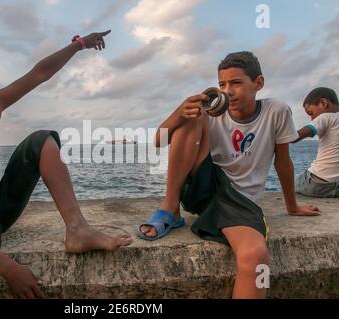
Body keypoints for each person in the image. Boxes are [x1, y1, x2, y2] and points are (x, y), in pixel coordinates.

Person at [0, 30, 132, 299]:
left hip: (1, 206)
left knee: (41, 140)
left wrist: (79, 45)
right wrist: (9, 268)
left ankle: (78, 229)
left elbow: (38, 73)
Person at [138, 51, 321, 298]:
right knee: (193, 117)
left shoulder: (275, 111)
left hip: (240, 201)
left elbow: (283, 162)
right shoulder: (214, 112)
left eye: (236, 83)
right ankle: (170, 208)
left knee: (255, 256)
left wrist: (292, 206)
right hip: (205, 187)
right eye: (222, 84)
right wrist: (180, 112)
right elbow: (159, 142)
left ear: (258, 83)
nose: (228, 91)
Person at [291, 87, 339, 197]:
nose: (311, 119)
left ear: (323, 103)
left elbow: (294, 137)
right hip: (337, 187)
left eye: (311, 113)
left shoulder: (326, 117)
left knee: (290, 183)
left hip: (319, 185)